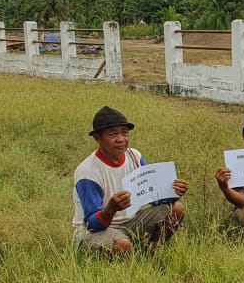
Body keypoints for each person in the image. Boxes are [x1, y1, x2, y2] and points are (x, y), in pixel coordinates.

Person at [72, 105, 189, 255]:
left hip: (130, 222)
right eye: (113, 134)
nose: (121, 139)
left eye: (125, 133)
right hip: (94, 231)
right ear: (97, 138)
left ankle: (151, 253)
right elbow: (92, 224)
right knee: (123, 245)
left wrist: (174, 191)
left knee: (176, 209)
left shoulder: (134, 156)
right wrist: (111, 209)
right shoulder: (88, 172)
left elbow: (154, 197)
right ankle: (120, 256)